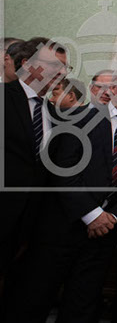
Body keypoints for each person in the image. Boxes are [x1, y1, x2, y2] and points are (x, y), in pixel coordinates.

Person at [3, 66, 117, 323]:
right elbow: (63, 168)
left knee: (81, 307)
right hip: (61, 230)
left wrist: (112, 217)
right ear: (114, 89)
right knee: (33, 301)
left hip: (103, 239)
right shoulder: (78, 118)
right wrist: (92, 214)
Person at [0, 38, 67, 275]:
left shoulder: (55, 116)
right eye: (54, 65)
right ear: (27, 64)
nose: (61, 73)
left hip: (24, 226)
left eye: (65, 68)